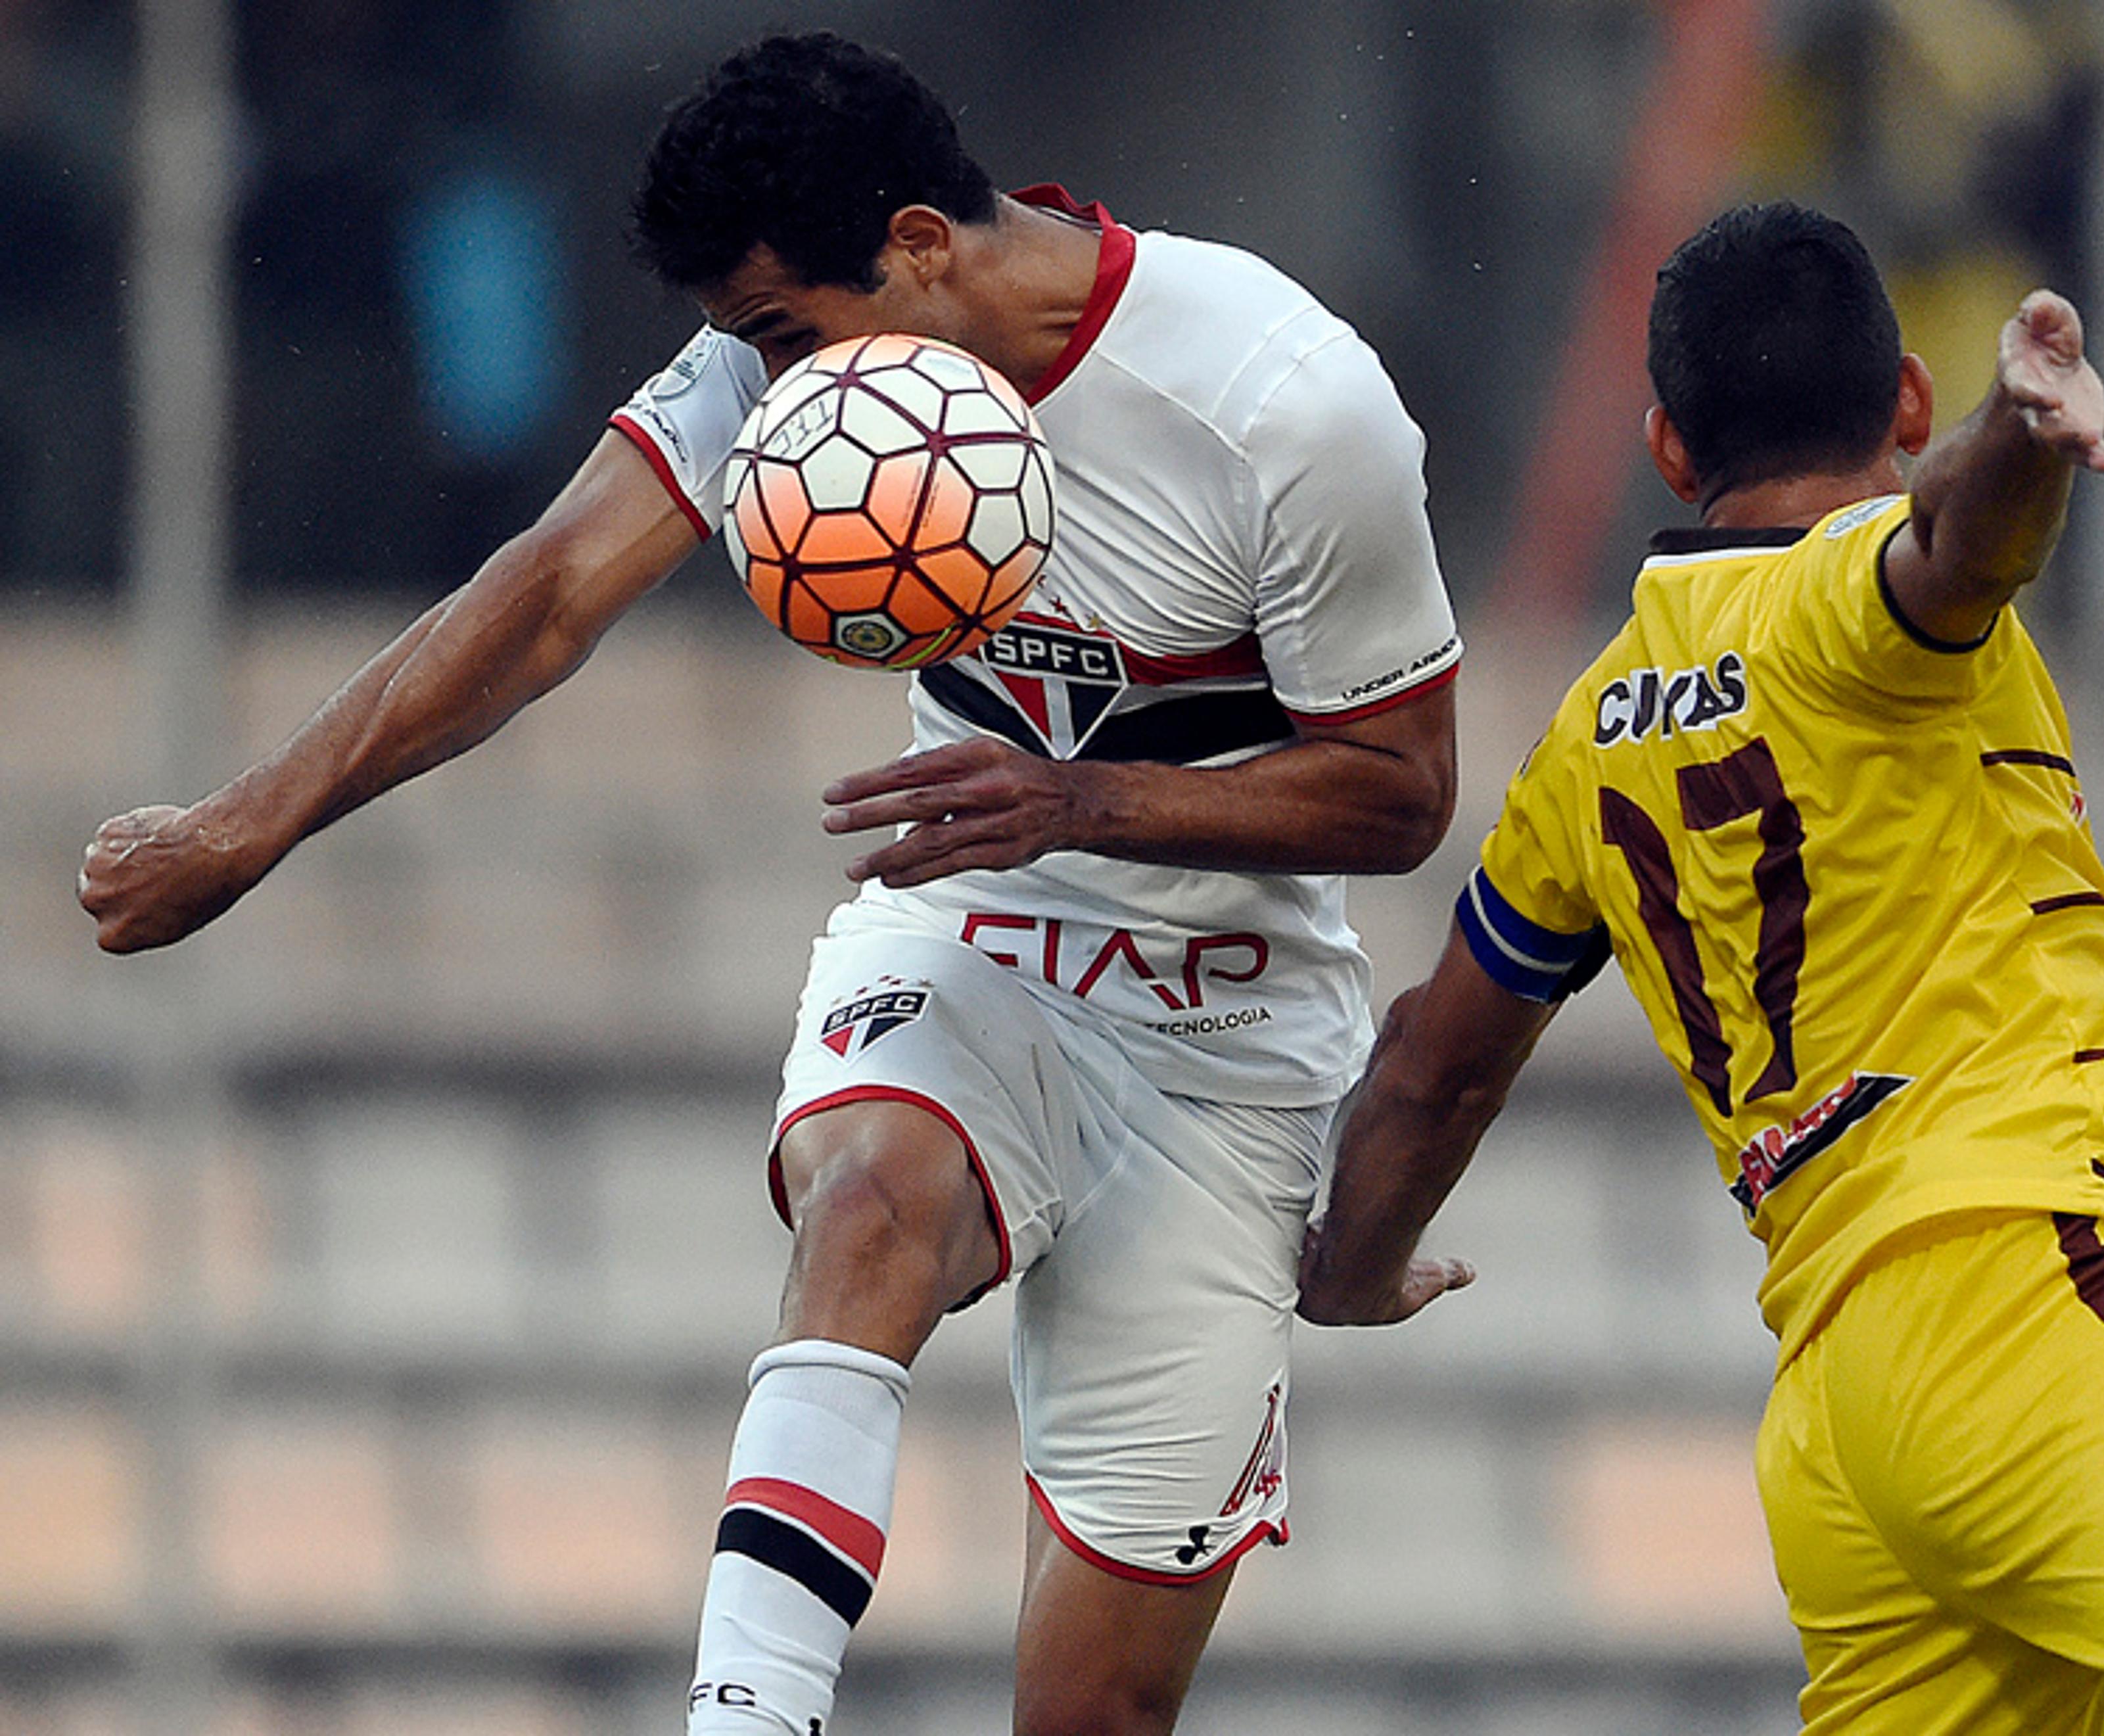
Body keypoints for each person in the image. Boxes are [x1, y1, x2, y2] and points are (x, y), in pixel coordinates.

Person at [80, 33, 1461, 1736]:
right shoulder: (790, 359)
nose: (770, 388)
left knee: (1094, 1714)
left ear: (923, 243)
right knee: (870, 1198)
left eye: (787, 335)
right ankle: (749, 1715)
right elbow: (551, 590)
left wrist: (1084, 793)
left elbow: (1401, 798)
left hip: (1228, 1028)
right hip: (976, 923)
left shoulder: (1280, 401)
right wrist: (247, 823)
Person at [1297, 202, 2104, 1736]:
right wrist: (2024, 433)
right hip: (2006, 1284)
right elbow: (1948, 552)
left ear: (1668, 450)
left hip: (1841, 1406)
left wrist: (1343, 1273)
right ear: (1911, 402)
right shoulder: (1847, 592)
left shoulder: (1585, 738)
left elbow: (1432, 1067)